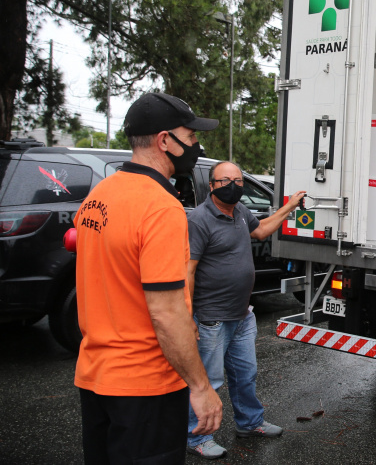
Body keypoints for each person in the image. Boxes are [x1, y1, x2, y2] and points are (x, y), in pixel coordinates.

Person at [73, 91, 223, 464]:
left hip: (95, 377)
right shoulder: (161, 208)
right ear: (164, 141)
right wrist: (201, 387)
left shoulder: (98, 195)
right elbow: (166, 312)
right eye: (190, 137)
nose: (196, 146)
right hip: (145, 387)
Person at [185, 161, 307, 459]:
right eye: (226, 180)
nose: (233, 185)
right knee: (208, 381)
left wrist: (289, 206)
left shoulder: (239, 211)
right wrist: (187, 316)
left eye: (238, 180)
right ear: (212, 185)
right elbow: (187, 270)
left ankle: (249, 423)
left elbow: (262, 230)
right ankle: (196, 436)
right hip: (212, 317)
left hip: (242, 314)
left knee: (245, 374)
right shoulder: (199, 220)